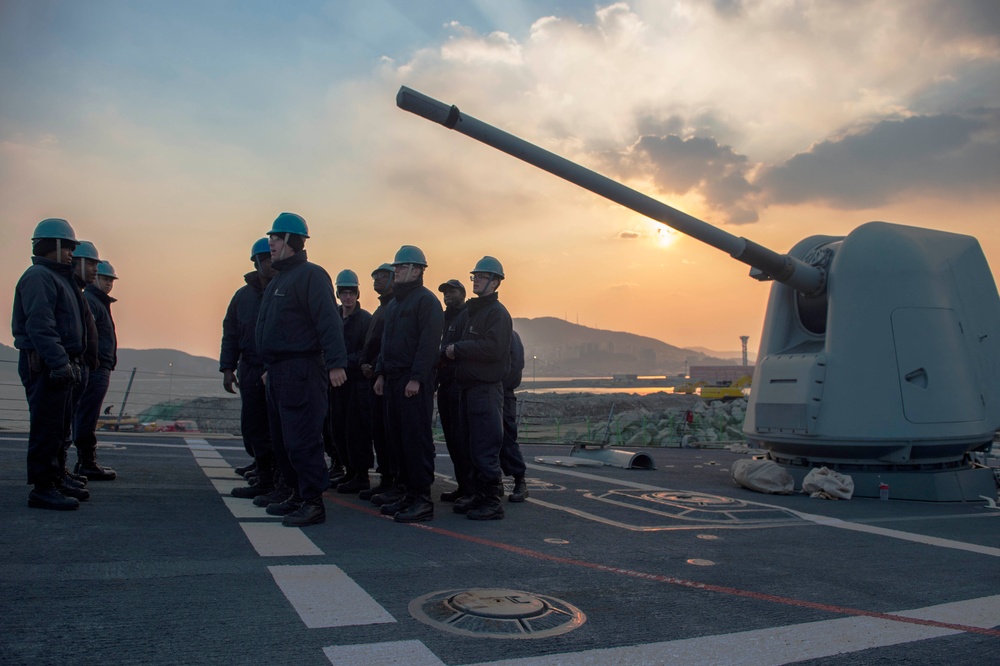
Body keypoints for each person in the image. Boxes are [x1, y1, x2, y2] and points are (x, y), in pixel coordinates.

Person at [255, 213, 348, 527]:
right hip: (279, 371)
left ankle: (312, 502)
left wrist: (336, 363)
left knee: (302, 438)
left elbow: (329, 321)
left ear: (293, 242)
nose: (272, 243)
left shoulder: (311, 275)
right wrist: (268, 366)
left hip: (303, 368)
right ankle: (296, 494)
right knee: (282, 439)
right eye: (272, 237)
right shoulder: (280, 279)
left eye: (278, 238)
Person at [12, 219, 90, 509]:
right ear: (51, 246)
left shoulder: (59, 278)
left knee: (58, 428)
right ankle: (43, 488)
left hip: (61, 364)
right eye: (67, 247)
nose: (72, 253)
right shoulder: (39, 277)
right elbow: (40, 326)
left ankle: (55, 478)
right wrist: (58, 362)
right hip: (45, 365)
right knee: (46, 428)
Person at [373, 245, 443, 523]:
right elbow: (385, 343)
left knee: (415, 441)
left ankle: (421, 499)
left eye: (400, 267)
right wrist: (380, 373)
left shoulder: (427, 302)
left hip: (412, 383)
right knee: (397, 439)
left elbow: (428, 345)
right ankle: (405, 493)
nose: (396, 271)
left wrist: (416, 377)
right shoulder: (396, 304)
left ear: (416, 270)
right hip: (392, 380)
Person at [446, 256, 512, 520]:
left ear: (496, 282)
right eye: (475, 277)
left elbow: (493, 349)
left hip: (485, 389)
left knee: (485, 446)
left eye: (482, 277)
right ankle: (477, 494)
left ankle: (492, 501)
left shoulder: (497, 313)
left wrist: (458, 349)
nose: (476, 281)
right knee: (470, 444)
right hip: (468, 388)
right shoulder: (473, 312)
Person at [221, 238, 278, 499]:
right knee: (252, 425)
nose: (269, 262)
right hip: (250, 368)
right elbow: (231, 332)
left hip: (277, 369)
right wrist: (227, 368)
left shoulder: (283, 289)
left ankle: (273, 478)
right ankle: (263, 471)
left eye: (271, 257)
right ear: (255, 262)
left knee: (276, 426)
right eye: (264, 258)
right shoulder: (242, 297)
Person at [72, 259, 121, 481]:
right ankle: (86, 462)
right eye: (105, 278)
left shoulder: (98, 302)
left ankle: (85, 461)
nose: (109, 283)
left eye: (111, 279)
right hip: (96, 368)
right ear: (95, 278)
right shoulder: (92, 301)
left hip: (99, 365)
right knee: (87, 414)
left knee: (86, 414)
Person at [331, 269, 375, 494]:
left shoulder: (365, 319)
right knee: (337, 429)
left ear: (357, 293)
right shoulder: (333, 317)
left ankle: (361, 475)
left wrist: (340, 362)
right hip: (336, 385)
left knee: (357, 431)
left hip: (357, 385)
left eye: (351, 292)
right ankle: (347, 470)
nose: (348, 296)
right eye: (344, 292)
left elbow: (366, 353)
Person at [358, 263, 396, 503]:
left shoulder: (392, 307)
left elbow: (387, 344)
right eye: (374, 277)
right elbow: (370, 343)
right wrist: (363, 363)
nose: (377, 280)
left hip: (384, 378)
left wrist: (378, 368)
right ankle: (385, 479)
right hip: (372, 376)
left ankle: (392, 481)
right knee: (378, 433)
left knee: (388, 433)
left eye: (382, 276)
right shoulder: (380, 309)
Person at [435, 278, 472, 502]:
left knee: (461, 440)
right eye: (445, 291)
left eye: (452, 291)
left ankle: (470, 488)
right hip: (446, 385)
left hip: (458, 386)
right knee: (452, 440)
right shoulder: (445, 318)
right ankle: (463, 485)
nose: (448, 294)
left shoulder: (466, 316)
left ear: (463, 293)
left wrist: (444, 354)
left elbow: (457, 351)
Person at [501, 330, 529, 502]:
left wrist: (499, 384)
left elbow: (516, 364)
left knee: (506, 438)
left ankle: (520, 480)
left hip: (502, 393)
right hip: (491, 391)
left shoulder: (509, 334)